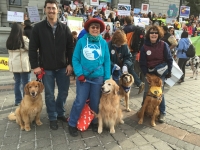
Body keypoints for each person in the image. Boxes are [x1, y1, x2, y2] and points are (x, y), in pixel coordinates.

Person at [29, 0, 73, 130]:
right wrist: (35, 66)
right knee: (49, 94)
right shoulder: (38, 28)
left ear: (58, 10)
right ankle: (52, 116)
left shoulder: (65, 28)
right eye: (49, 8)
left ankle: (60, 113)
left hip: (62, 67)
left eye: (53, 8)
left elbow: (70, 48)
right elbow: (32, 48)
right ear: (45, 9)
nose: (51, 11)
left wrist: (70, 64)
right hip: (46, 68)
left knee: (64, 92)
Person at [68, 18, 111, 137]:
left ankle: (94, 121)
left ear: (100, 29)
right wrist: (79, 73)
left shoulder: (103, 43)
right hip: (84, 78)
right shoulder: (81, 41)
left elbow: (107, 60)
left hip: (98, 78)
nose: (95, 29)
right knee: (80, 101)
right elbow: (75, 59)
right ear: (88, 29)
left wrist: (107, 78)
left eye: (97, 27)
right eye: (93, 27)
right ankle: (72, 123)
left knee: (95, 101)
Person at [140, 25, 173, 123]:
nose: (154, 34)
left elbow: (169, 59)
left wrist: (169, 71)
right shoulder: (144, 47)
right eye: (151, 32)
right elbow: (142, 62)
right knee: (147, 92)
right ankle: (143, 109)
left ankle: (162, 113)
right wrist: (146, 74)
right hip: (149, 74)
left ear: (159, 34)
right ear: (148, 34)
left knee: (159, 93)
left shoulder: (163, 45)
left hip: (160, 73)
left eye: (156, 33)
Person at [6, 23, 31, 106]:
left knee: (17, 82)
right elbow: (31, 48)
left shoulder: (9, 40)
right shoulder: (24, 39)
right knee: (26, 83)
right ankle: (26, 100)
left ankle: (18, 100)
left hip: (14, 64)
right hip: (23, 64)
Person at [123, 16, 144, 94]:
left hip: (127, 50)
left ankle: (138, 83)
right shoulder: (136, 28)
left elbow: (123, 40)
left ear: (125, 21)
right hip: (134, 50)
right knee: (130, 68)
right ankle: (138, 83)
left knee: (129, 68)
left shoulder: (125, 29)